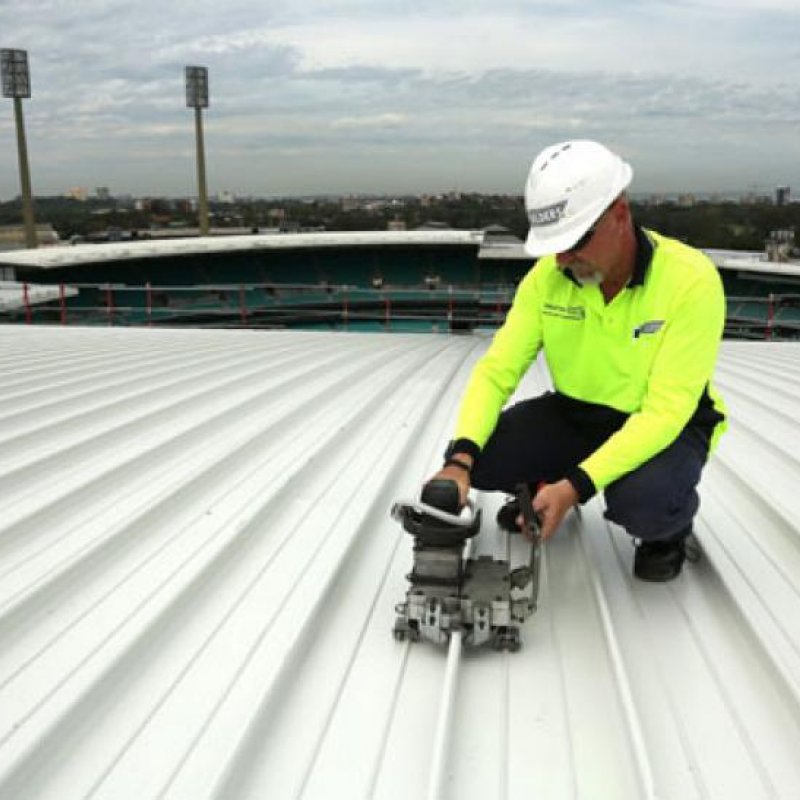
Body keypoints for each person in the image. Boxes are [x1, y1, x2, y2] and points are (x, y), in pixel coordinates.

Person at [430, 139, 727, 581]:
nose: (564, 259)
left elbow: (666, 412)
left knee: (643, 502)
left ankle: (668, 531)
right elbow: (496, 372)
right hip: (576, 414)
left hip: (667, 426)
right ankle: (542, 487)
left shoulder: (691, 280)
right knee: (478, 456)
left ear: (620, 214)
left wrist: (577, 487)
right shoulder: (548, 278)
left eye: (575, 241)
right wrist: (460, 460)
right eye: (555, 246)